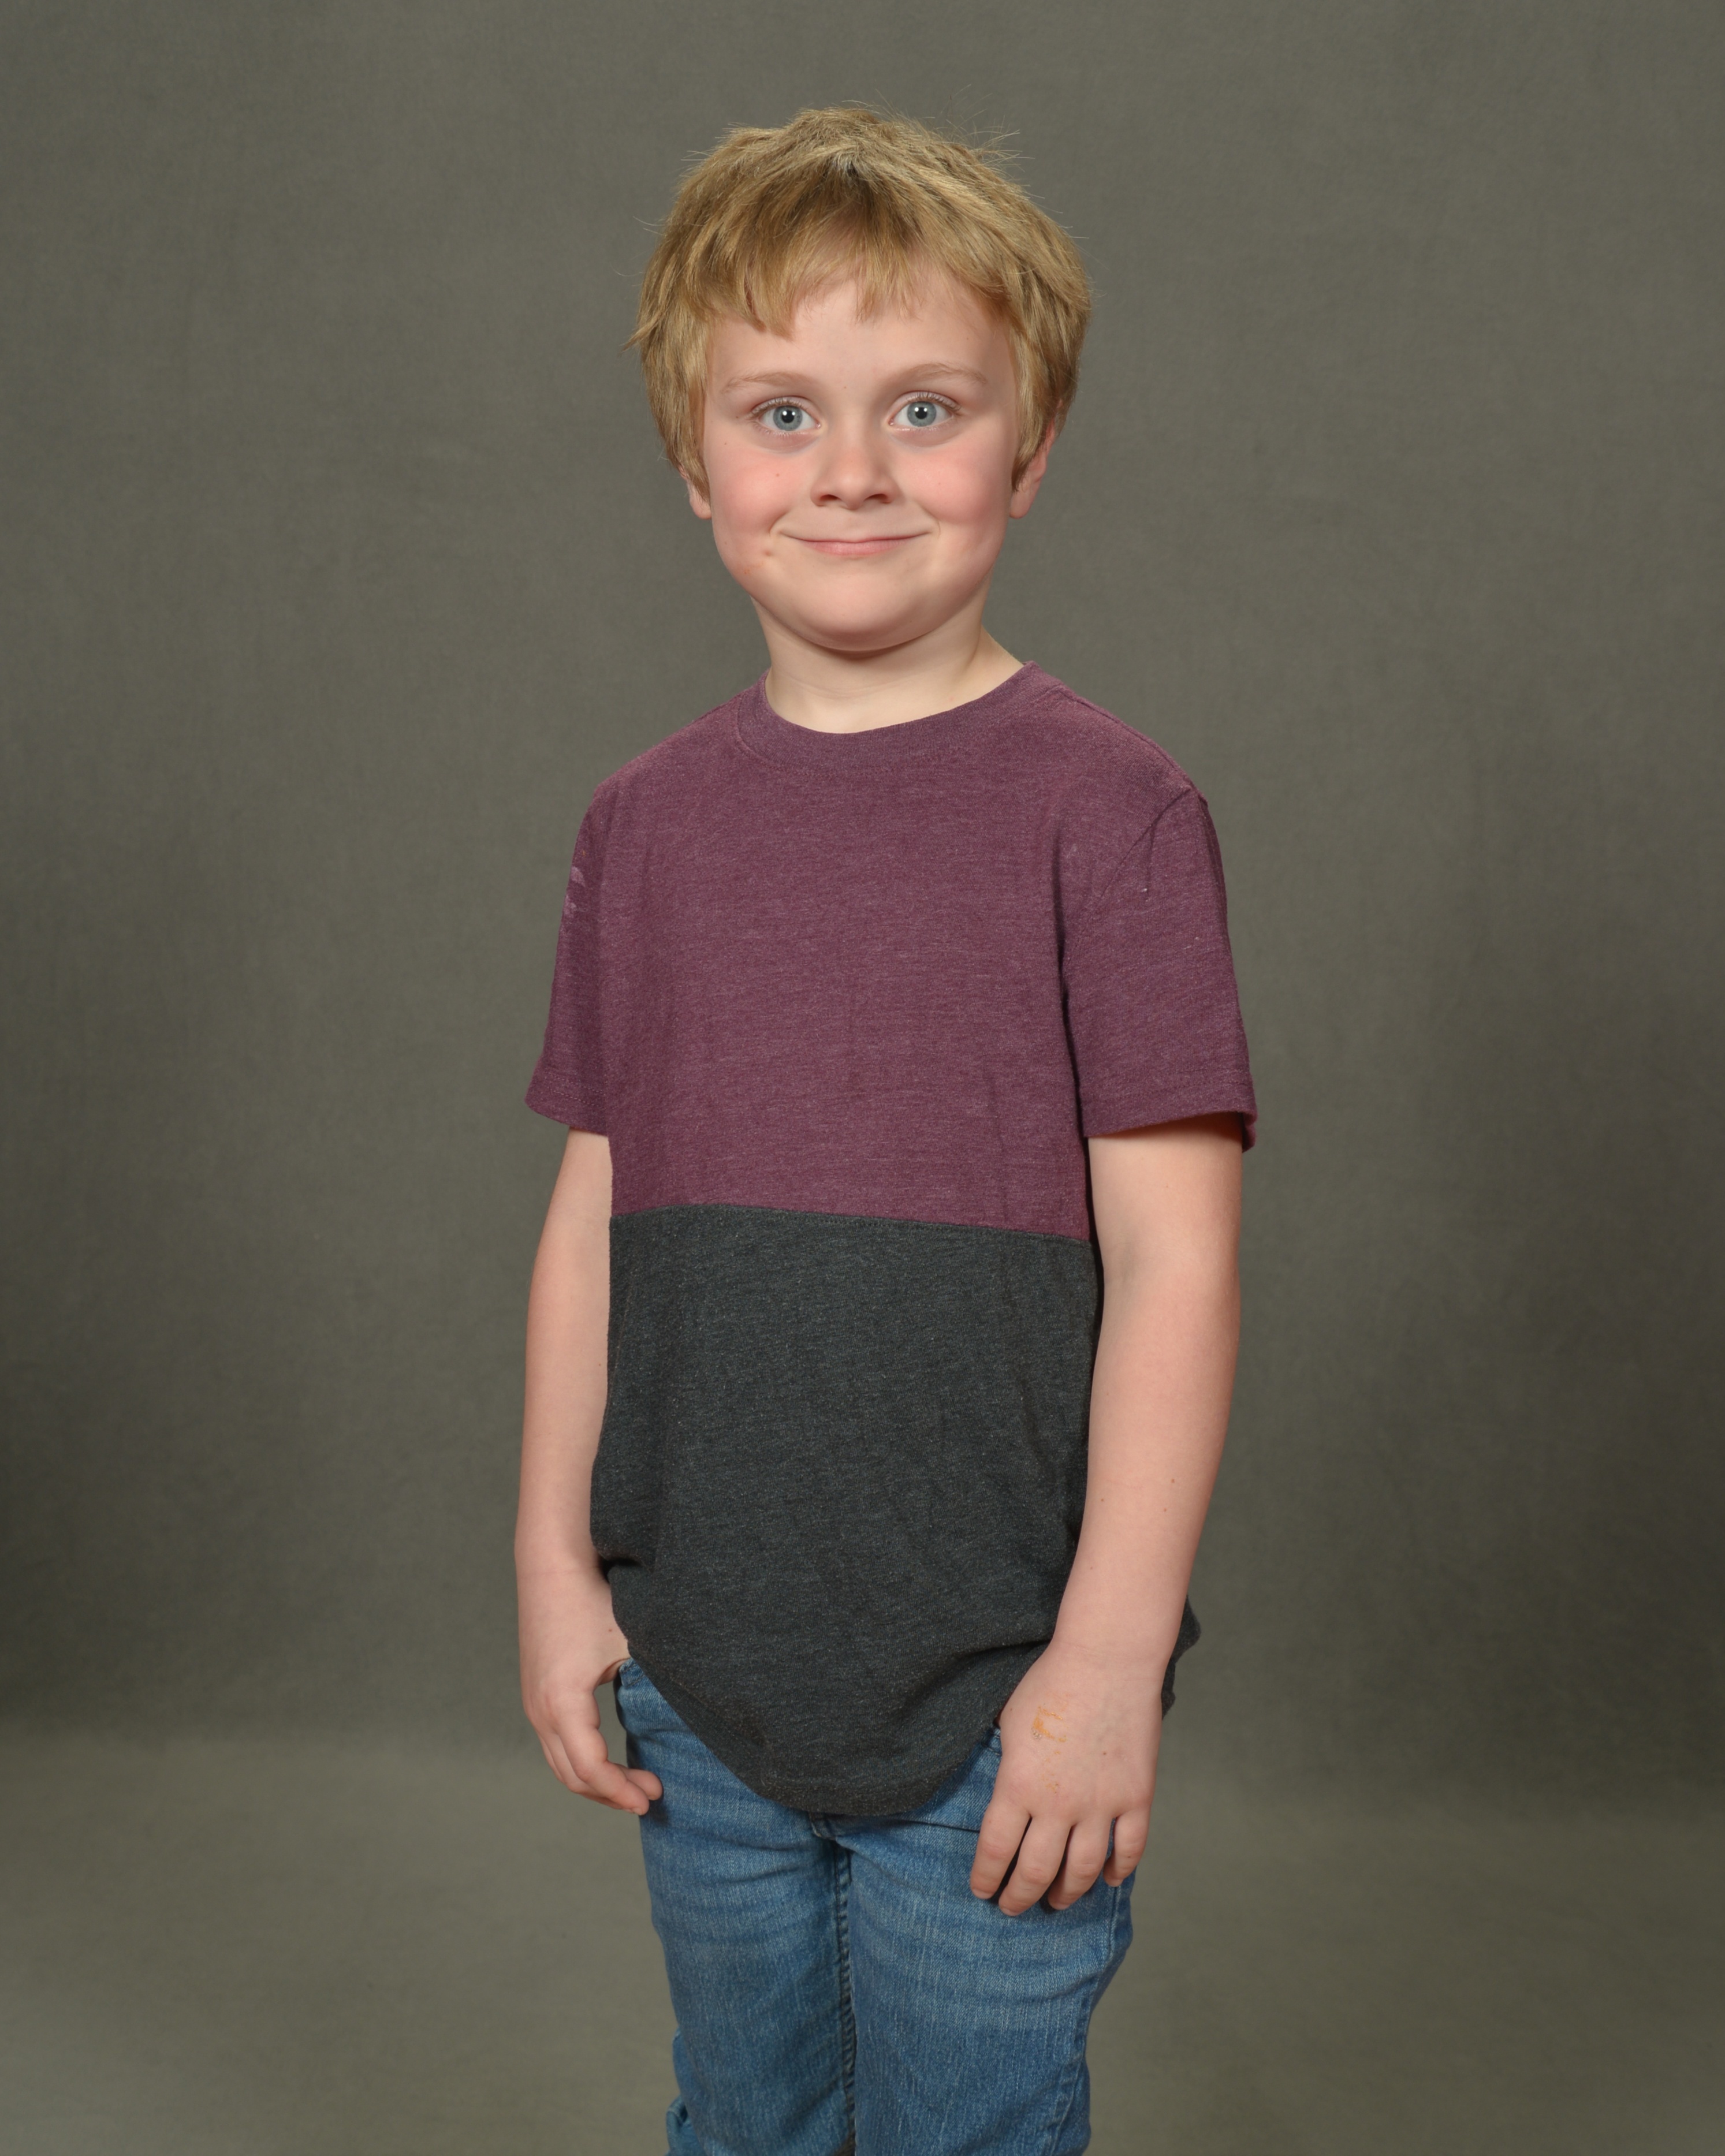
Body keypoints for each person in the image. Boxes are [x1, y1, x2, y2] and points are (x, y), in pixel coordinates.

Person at [516, 105, 1255, 2156]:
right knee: (741, 2123)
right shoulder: (642, 826)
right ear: (695, 462)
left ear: (1029, 447)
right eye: (783, 412)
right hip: (703, 1671)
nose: (851, 468)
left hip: (1002, 1690)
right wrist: (552, 1564)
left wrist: (1105, 1659)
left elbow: (1179, 1265)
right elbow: (589, 1220)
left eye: (924, 408)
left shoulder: (1109, 813)